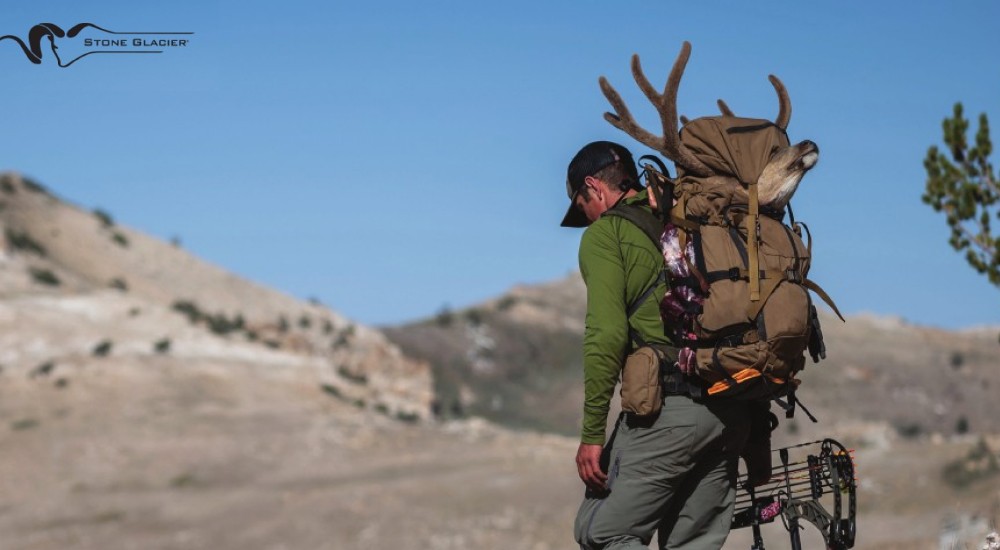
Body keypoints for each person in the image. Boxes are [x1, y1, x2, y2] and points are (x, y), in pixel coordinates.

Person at [562, 140, 751, 549]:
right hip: (731, 409)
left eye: (582, 206)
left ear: (594, 187)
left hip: (671, 408)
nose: (587, 216)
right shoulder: (694, 222)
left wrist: (592, 435)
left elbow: (606, 335)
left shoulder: (606, 234)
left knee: (602, 532)